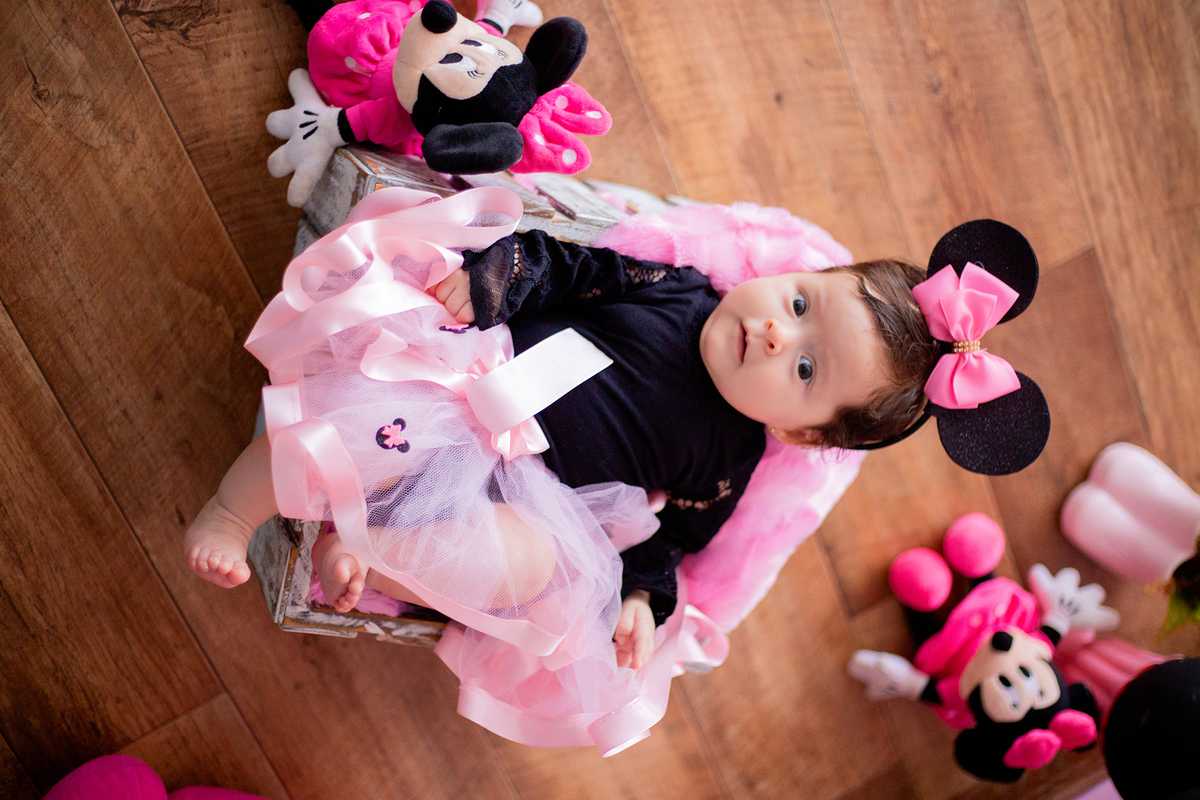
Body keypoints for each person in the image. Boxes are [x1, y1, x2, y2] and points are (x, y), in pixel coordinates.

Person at [183, 187, 1023, 753]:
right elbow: (569, 267)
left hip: (520, 492)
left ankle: (377, 554)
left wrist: (642, 599)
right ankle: (234, 509)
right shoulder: (678, 289)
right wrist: (495, 281)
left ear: (801, 435)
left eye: (805, 370)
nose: (777, 334)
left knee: (528, 565)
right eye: (800, 304)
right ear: (790, 275)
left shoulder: (728, 461)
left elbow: (669, 540)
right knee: (347, 420)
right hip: (461, 386)